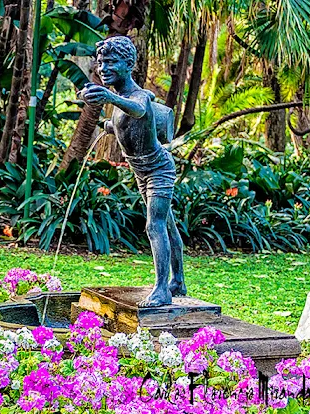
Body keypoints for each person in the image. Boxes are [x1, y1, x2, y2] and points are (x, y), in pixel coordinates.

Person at [79, 36, 186, 307]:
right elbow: (124, 126)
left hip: (158, 169)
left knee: (155, 225)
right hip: (141, 171)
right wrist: (107, 125)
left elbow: (139, 111)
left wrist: (107, 96)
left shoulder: (137, 97)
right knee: (168, 226)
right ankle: (178, 281)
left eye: (112, 62)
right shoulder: (121, 100)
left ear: (128, 65)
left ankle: (162, 289)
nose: (103, 68)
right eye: (101, 62)